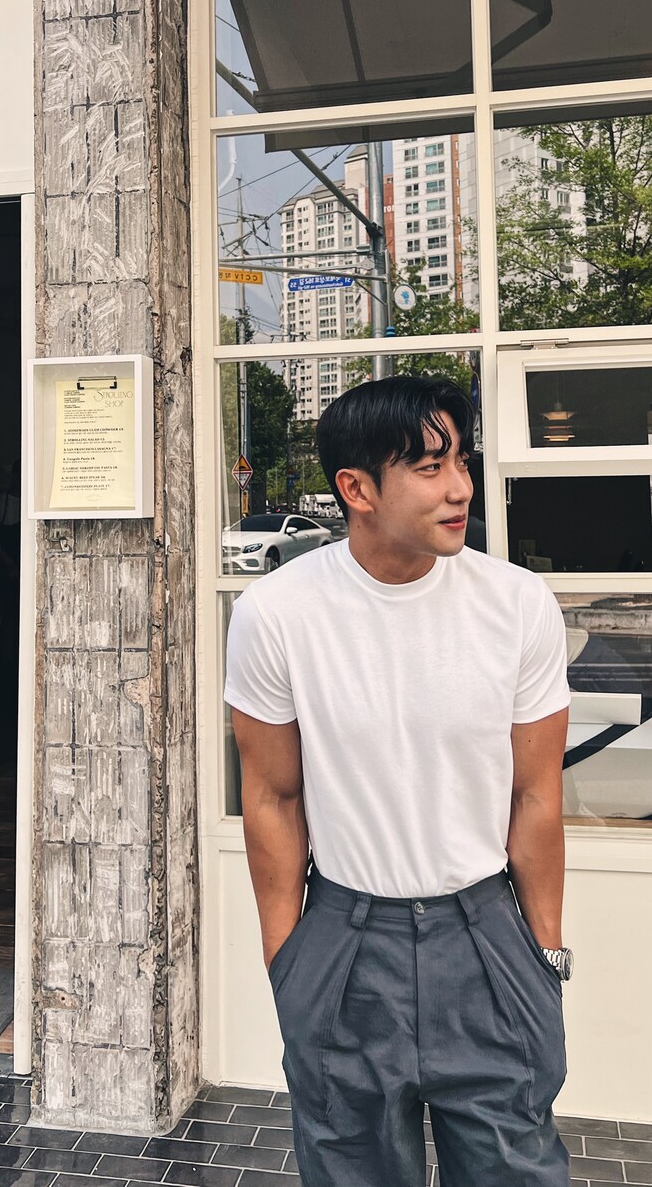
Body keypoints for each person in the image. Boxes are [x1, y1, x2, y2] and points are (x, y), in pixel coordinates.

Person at [225, 376, 572, 1187]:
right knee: (352, 1168)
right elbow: (272, 796)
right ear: (357, 489)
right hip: (346, 936)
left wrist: (546, 954)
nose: (460, 487)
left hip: (486, 932)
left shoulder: (518, 604)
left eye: (461, 460)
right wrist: (290, 964)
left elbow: (535, 795)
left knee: (514, 1169)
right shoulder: (277, 613)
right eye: (428, 466)